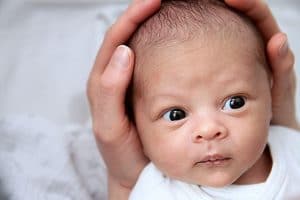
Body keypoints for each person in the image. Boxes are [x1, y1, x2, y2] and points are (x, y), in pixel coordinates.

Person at [86, 0, 299, 199]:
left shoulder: (290, 149)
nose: (208, 130)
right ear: (136, 125)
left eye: (235, 102)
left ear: (270, 91)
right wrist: (122, 182)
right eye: (175, 114)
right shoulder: (156, 192)